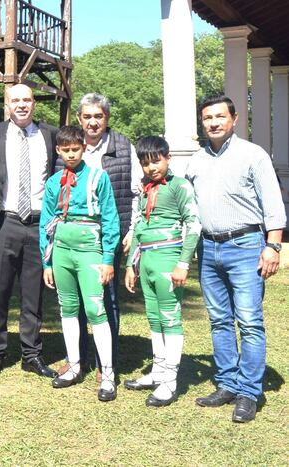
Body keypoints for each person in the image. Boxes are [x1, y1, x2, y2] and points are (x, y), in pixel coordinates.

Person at [187, 95, 285, 423]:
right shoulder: (196, 160)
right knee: (219, 320)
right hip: (209, 249)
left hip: (245, 247)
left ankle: (249, 392)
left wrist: (273, 246)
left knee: (249, 321)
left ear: (234, 118)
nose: (213, 122)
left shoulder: (252, 155)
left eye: (219, 116)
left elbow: (273, 202)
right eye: (207, 118)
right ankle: (227, 383)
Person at [57, 92, 143, 379]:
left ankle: (107, 361)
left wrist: (131, 229)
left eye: (99, 116)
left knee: (106, 298)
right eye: (88, 116)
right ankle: (76, 358)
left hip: (110, 234)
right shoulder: (70, 146)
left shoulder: (122, 145)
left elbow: (135, 191)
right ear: (79, 119)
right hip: (73, 239)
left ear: (106, 118)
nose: (93, 122)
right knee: (75, 300)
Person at [0, 83, 58, 378]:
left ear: (34, 103)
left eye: (27, 99)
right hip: (4, 222)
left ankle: (31, 353)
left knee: (33, 294)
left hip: (38, 223)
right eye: (16, 100)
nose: (22, 105)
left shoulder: (49, 135)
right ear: (7, 104)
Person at [40, 125, 119, 401]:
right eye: (66, 150)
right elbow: (45, 223)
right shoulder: (53, 182)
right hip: (61, 250)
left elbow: (110, 219)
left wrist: (108, 258)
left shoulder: (99, 178)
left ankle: (107, 372)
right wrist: (46, 262)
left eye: (76, 149)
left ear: (83, 148)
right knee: (68, 308)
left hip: (90, 251)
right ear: (58, 151)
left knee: (97, 309)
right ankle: (73, 364)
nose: (71, 154)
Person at [124, 136, 201, 407]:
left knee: (170, 318)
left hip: (169, 258)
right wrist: (131, 265)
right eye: (145, 163)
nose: (151, 168)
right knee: (154, 318)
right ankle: (158, 370)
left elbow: (193, 224)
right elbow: (137, 226)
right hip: (146, 260)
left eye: (156, 161)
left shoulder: (180, 186)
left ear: (168, 158)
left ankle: (170, 380)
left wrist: (183, 263)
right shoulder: (143, 188)